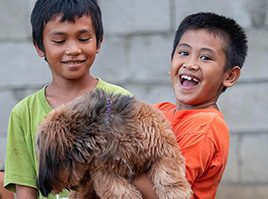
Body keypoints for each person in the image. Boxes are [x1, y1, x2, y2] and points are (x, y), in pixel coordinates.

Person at [4, 0, 131, 199]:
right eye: (59, 41)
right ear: (39, 46)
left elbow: (137, 173)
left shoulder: (119, 101)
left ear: (99, 41)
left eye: (83, 38)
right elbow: (26, 190)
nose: (73, 50)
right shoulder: (24, 113)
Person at [133, 12, 248, 198]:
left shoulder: (206, 127)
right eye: (184, 53)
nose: (191, 64)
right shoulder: (159, 111)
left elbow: (167, 192)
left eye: (205, 58)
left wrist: (109, 163)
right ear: (171, 61)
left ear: (229, 76)